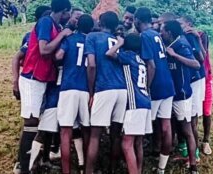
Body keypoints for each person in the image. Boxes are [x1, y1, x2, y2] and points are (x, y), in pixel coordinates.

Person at [17, 0, 72, 172]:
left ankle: (38, 160)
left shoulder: (56, 26)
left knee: (44, 123)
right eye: (69, 13)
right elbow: (44, 50)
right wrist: (63, 35)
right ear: (64, 11)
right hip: (33, 77)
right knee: (31, 123)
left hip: (44, 79)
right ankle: (22, 167)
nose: (69, 16)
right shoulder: (46, 22)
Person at [85, 11, 127, 174]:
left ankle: (88, 171)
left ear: (100, 23)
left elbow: (92, 65)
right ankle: (113, 169)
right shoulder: (118, 40)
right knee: (116, 134)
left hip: (104, 88)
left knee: (95, 134)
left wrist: (91, 91)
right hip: (121, 89)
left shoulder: (92, 37)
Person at [134, 7, 175, 173]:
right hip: (168, 85)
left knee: (141, 129)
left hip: (156, 86)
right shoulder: (157, 35)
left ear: (137, 19)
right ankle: (161, 168)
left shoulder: (144, 36)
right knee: (166, 126)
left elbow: (151, 65)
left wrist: (146, 88)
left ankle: (137, 166)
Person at [106, 33, 152, 174]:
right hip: (145, 101)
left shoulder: (128, 56)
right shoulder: (140, 59)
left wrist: (119, 43)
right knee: (137, 142)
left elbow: (109, 53)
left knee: (126, 144)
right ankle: (138, 170)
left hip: (135, 103)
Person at [55, 14, 94, 174]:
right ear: (91, 28)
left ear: (77, 25)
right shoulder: (92, 41)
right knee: (86, 129)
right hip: (85, 88)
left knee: (66, 131)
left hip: (68, 87)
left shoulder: (70, 39)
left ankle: (66, 170)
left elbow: (58, 56)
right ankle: (85, 166)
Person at [161, 20, 200, 174]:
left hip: (181, 95)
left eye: (163, 30)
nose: (160, 33)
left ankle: (193, 166)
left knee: (187, 130)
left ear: (169, 33)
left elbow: (196, 64)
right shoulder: (169, 43)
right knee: (174, 127)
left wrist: (175, 55)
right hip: (171, 93)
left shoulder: (181, 45)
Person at [179, 15, 205, 161]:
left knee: (192, 118)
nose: (180, 25)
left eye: (181, 23)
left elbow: (201, 58)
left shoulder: (190, 36)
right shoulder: (184, 36)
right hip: (190, 79)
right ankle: (188, 149)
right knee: (187, 117)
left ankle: (194, 155)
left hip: (196, 78)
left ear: (188, 23)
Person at [199, 31, 213, 155]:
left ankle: (206, 140)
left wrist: (199, 40)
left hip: (207, 79)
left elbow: (204, 55)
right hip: (195, 79)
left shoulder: (201, 35)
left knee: (206, 111)